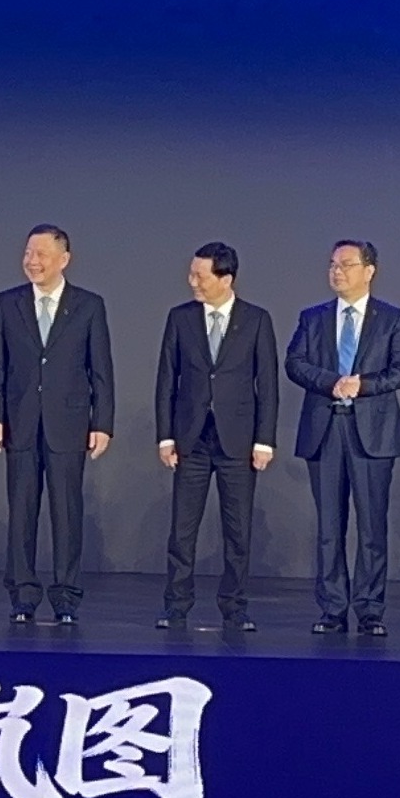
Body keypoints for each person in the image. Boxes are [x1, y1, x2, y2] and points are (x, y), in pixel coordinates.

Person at [0, 224, 111, 626]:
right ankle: (22, 594)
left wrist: (102, 423)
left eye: (41, 255)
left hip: (68, 423)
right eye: (28, 253)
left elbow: (100, 369)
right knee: (21, 512)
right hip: (19, 420)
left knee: (66, 513)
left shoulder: (88, 305)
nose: (32, 261)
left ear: (63, 259)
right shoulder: (8, 303)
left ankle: (66, 596)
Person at [286, 240, 400, 636]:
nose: (336, 271)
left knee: (372, 527)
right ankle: (333, 608)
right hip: (325, 429)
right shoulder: (313, 318)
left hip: (372, 432)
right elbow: (294, 363)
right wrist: (332, 382)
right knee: (329, 526)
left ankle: (370, 609)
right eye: (332, 264)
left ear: (369, 271)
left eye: (346, 264)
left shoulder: (392, 318)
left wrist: (363, 385)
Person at [157, 242, 279, 632]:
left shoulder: (256, 320)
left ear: (226, 279)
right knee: (182, 530)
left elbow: (267, 385)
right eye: (191, 274)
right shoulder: (180, 318)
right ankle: (176, 606)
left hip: (237, 442)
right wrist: (165, 437)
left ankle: (235, 607)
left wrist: (264, 440)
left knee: (237, 530)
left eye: (200, 276)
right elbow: (166, 380)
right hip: (191, 439)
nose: (192, 281)